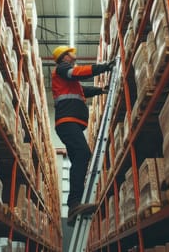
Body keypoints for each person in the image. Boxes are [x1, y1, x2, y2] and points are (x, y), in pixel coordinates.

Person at [51, 45, 114, 226]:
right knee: (83, 154)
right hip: (67, 123)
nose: (74, 55)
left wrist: (101, 90)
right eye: (72, 53)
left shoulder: (69, 80)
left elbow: (82, 90)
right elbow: (79, 73)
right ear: (64, 57)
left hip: (71, 125)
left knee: (80, 157)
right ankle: (74, 204)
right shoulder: (62, 69)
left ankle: (73, 206)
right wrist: (103, 67)